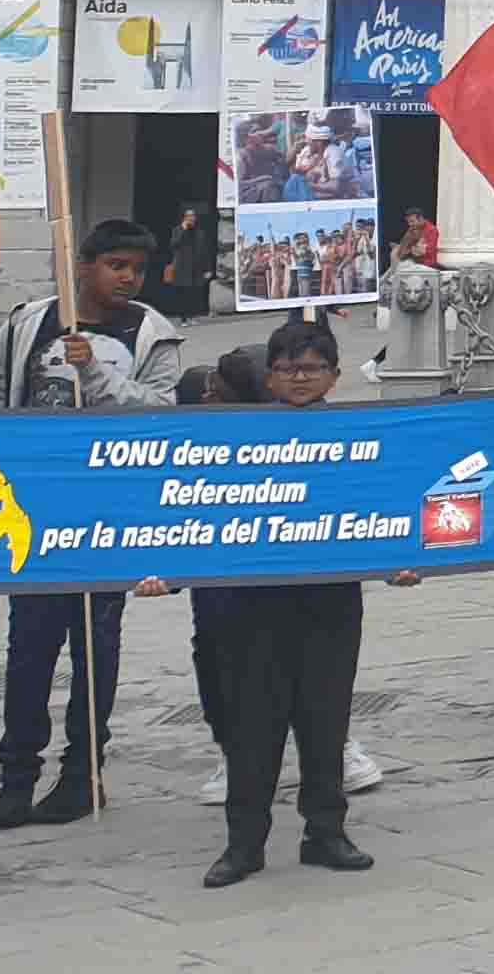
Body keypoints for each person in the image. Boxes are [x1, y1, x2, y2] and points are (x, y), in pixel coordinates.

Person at [0, 217, 184, 830]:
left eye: (137, 269)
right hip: (36, 509)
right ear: (83, 266)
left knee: (97, 645)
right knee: (28, 647)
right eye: (116, 265)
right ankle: (16, 777)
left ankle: (83, 773)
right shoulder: (29, 324)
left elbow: (161, 412)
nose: (128, 278)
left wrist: (96, 372)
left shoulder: (151, 334)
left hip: (107, 511)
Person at [196, 317, 401, 887]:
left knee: (325, 721)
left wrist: (401, 564)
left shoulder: (358, 438)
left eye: (313, 368)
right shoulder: (236, 437)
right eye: (288, 369)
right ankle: (244, 843)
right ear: (270, 376)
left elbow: (383, 509)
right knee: (251, 729)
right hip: (250, 608)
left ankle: (325, 831)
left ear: (335, 375)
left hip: (329, 604)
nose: (300, 378)